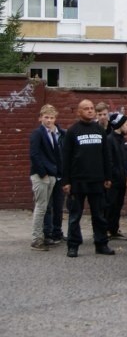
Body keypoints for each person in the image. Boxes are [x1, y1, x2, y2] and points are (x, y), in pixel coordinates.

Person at [61, 100, 115, 258]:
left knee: (99, 215)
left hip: (97, 180)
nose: (90, 111)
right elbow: (66, 158)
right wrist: (66, 181)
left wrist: (108, 176)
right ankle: (73, 245)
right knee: (75, 215)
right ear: (79, 112)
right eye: (86, 109)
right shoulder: (72, 131)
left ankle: (101, 243)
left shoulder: (99, 130)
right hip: (78, 180)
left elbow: (106, 155)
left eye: (92, 109)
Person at [29, 104, 64, 251]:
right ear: (40, 118)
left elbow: (56, 156)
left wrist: (56, 174)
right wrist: (43, 173)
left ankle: (43, 236)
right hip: (41, 176)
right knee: (41, 207)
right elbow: (34, 154)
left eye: (51, 118)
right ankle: (37, 240)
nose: (49, 120)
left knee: (45, 207)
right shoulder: (38, 133)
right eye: (46, 117)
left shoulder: (51, 134)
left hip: (51, 176)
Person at [105, 112, 127, 240]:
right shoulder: (110, 140)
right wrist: (111, 176)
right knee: (111, 204)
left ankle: (114, 229)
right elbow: (109, 160)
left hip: (122, 179)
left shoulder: (123, 140)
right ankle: (107, 229)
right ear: (119, 125)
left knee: (118, 204)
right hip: (114, 179)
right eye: (126, 124)